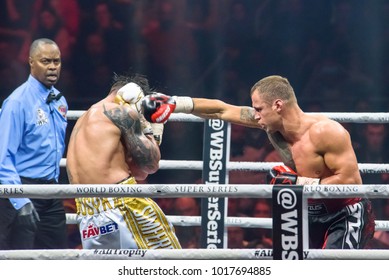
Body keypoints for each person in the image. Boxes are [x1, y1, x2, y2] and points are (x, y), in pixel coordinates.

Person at [142, 75, 375, 249]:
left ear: (278, 105)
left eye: (258, 109)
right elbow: (222, 110)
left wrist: (298, 183)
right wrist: (176, 103)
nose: (254, 115)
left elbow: (350, 181)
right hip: (309, 212)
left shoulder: (326, 131)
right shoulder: (272, 126)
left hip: (345, 212)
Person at [66, 73, 181, 249]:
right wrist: (148, 126)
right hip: (123, 204)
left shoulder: (83, 120)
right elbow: (151, 165)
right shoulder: (121, 112)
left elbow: (139, 173)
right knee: (172, 264)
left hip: (87, 214)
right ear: (134, 95)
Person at [0, 38, 68, 249]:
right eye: (45, 61)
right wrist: (20, 200)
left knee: (58, 258)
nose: (52, 67)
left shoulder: (60, 100)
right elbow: (3, 158)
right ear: (31, 62)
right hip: (22, 188)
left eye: (56, 61)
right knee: (20, 261)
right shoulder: (17, 102)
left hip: (51, 190)